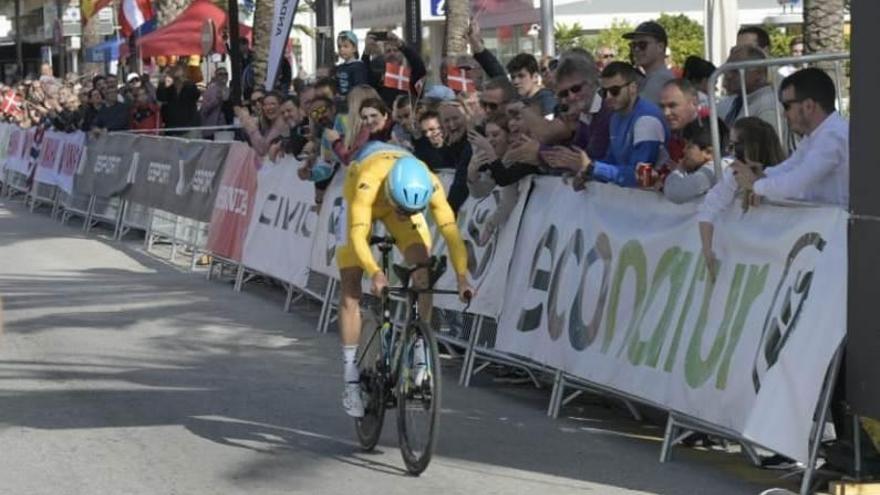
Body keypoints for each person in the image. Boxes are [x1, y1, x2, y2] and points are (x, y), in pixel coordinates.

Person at [336, 145, 474, 417]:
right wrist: (375, 272)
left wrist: (462, 277)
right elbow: (357, 235)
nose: (404, 213)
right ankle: (350, 377)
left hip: (398, 192)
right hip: (362, 203)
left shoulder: (430, 182)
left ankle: (421, 355)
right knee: (351, 287)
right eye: (402, 208)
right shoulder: (368, 180)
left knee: (424, 270)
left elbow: (451, 232)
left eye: (412, 209)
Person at [730, 68, 849, 207]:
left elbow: (796, 183)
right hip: (826, 221)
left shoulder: (833, 136)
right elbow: (790, 167)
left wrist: (756, 184)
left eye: (786, 106)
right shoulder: (819, 133)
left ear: (808, 106)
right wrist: (760, 174)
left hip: (838, 224)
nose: (783, 114)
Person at [545, 62, 669, 188]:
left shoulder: (646, 120)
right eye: (604, 92)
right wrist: (585, 173)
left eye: (615, 91)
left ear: (633, 88)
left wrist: (592, 167)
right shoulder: (615, 117)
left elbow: (643, 177)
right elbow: (611, 160)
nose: (608, 97)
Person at [698, 117, 787, 279]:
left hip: (778, 262)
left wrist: (756, 185)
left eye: (734, 146)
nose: (730, 153)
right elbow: (711, 204)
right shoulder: (734, 174)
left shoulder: (784, 175)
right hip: (752, 266)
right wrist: (707, 249)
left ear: (751, 147)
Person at [719, 45, 783, 135]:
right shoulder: (740, 101)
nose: (728, 76)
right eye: (727, 69)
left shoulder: (767, 106)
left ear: (758, 73)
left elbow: (768, 146)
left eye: (735, 70)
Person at [663, 116, 729, 204]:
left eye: (689, 146)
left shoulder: (713, 170)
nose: (684, 150)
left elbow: (674, 192)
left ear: (708, 152)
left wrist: (680, 169)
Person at [363, 31, 427, 107]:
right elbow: (364, 74)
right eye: (388, 51)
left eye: (396, 50)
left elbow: (420, 67)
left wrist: (402, 46)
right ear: (383, 56)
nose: (392, 53)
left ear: (402, 53)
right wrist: (366, 54)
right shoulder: (379, 77)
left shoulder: (410, 76)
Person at [326, 97, 394, 165]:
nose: (369, 121)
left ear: (385, 115)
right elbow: (352, 159)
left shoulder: (395, 131)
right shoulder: (367, 133)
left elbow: (351, 160)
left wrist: (336, 142)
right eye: (365, 118)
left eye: (373, 115)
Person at [623, 21, 676, 105]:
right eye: (633, 45)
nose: (636, 49)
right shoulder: (650, 78)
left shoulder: (661, 79)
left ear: (660, 47)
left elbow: (637, 114)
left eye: (642, 45)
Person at [659, 79, 702, 164]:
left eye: (672, 105)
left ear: (694, 103)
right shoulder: (675, 130)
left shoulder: (712, 130)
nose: (666, 113)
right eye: (662, 107)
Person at [236, 90, 287, 156]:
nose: (269, 107)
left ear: (281, 105)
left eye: (272, 104)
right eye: (265, 105)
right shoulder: (266, 122)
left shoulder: (281, 122)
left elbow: (263, 150)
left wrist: (251, 127)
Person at [157, 64, 201, 136]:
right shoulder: (169, 89)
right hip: (173, 128)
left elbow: (196, 95)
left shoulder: (190, 86)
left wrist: (183, 79)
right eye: (173, 69)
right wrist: (161, 81)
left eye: (177, 69)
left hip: (189, 128)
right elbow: (160, 97)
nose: (175, 70)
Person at [335, 31, 369, 102]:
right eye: (339, 47)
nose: (342, 49)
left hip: (354, 103)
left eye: (345, 46)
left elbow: (359, 87)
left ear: (354, 48)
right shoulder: (340, 67)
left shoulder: (358, 66)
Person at [199, 67, 230, 137]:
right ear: (216, 77)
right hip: (212, 127)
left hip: (226, 127)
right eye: (220, 74)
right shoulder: (210, 91)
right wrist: (216, 100)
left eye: (225, 74)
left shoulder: (229, 90)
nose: (223, 76)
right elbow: (204, 110)